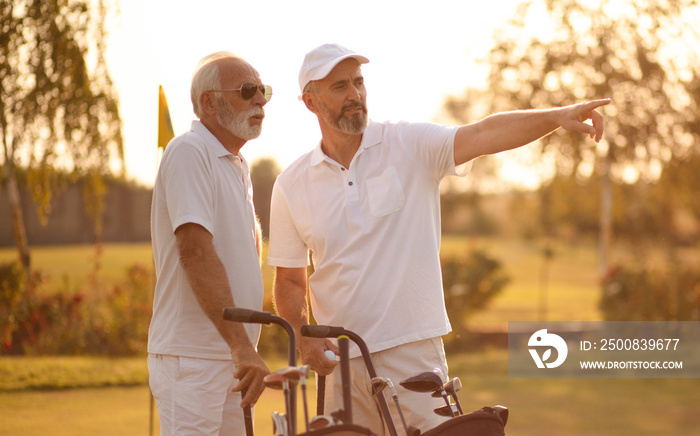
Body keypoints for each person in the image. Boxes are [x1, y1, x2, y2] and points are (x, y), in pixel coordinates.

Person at [268, 43, 609, 434]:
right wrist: (303, 336)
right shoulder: (291, 185)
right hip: (340, 365)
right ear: (311, 102)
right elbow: (289, 281)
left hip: (413, 353)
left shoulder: (408, 145)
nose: (355, 95)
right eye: (340, 86)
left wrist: (558, 116)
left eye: (359, 83)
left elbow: (483, 133)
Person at [149, 51, 272, 435]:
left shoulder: (236, 163)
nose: (261, 101)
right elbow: (195, 252)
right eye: (248, 91)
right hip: (193, 358)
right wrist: (241, 346)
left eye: (264, 91)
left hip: (231, 360)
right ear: (208, 102)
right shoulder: (189, 150)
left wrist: (241, 350)